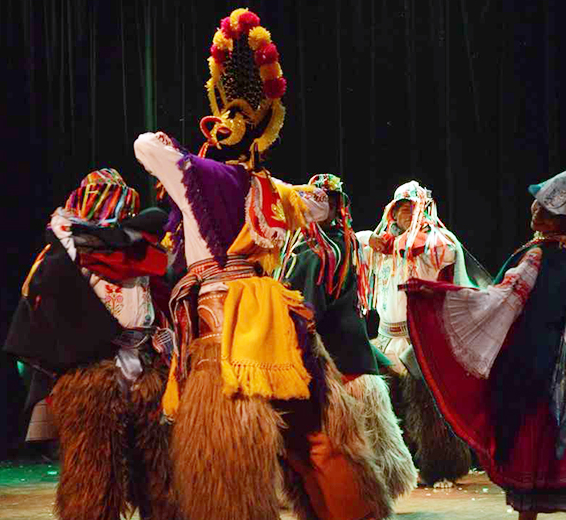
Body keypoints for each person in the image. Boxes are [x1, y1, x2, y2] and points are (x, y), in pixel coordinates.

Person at [134, 8, 393, 520]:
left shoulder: (201, 179)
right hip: (275, 321)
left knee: (230, 459)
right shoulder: (267, 187)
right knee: (311, 439)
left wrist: (192, 152)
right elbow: (318, 203)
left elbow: (147, 146)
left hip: (224, 328)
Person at [403, 170, 566, 519]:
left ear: (557, 217)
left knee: (529, 447)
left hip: (533, 364)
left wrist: (439, 297)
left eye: (542, 205)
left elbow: (503, 299)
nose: (533, 208)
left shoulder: (539, 255)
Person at [4, 169, 179, 520]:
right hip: (93, 370)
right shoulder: (68, 251)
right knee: (94, 469)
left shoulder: (141, 248)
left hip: (145, 363)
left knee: (160, 470)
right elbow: (42, 302)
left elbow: (161, 296)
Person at [278, 173, 418, 500]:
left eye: (322, 200)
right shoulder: (333, 241)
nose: (313, 205)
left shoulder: (321, 248)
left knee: (347, 440)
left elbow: (308, 307)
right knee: (369, 435)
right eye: (310, 198)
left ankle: (357, 498)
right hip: (349, 353)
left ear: (336, 205)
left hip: (337, 358)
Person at [357, 180, 486, 488]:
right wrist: (376, 241)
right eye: (399, 207)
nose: (404, 213)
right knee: (384, 404)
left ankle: (441, 468)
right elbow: (356, 241)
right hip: (387, 336)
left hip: (423, 339)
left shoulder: (437, 242)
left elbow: (446, 252)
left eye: (410, 207)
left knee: (428, 407)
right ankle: (388, 467)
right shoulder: (379, 246)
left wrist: (396, 244)